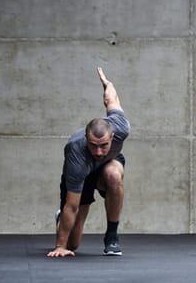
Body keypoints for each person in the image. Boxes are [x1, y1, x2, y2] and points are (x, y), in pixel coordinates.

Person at [47, 67, 130, 257]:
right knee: (72, 245)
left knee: (113, 175)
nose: (99, 152)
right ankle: (60, 220)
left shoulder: (121, 127)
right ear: (86, 138)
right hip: (84, 172)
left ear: (113, 136)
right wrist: (60, 246)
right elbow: (72, 206)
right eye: (93, 145)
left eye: (104, 145)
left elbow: (111, 99)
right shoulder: (75, 152)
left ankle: (112, 237)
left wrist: (106, 83)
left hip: (110, 164)